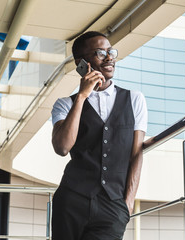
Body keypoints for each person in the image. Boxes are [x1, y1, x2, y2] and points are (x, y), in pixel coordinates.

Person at [50, 31, 147, 240]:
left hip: (113, 206)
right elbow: (62, 147)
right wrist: (82, 96)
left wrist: (128, 203)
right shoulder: (65, 104)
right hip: (71, 201)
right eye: (100, 53)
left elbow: (136, 153)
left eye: (111, 52)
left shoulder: (134, 99)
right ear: (81, 62)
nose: (110, 57)